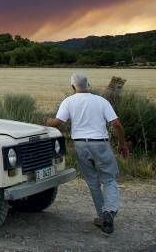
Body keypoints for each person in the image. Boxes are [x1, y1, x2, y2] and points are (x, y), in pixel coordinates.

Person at [46, 73, 129, 234]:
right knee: (109, 179)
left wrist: (48, 122)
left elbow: (58, 124)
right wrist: (122, 143)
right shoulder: (101, 101)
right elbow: (117, 124)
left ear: (72, 87)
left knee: (92, 182)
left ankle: (102, 217)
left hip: (81, 145)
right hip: (101, 145)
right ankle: (109, 211)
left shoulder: (68, 101)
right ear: (88, 85)